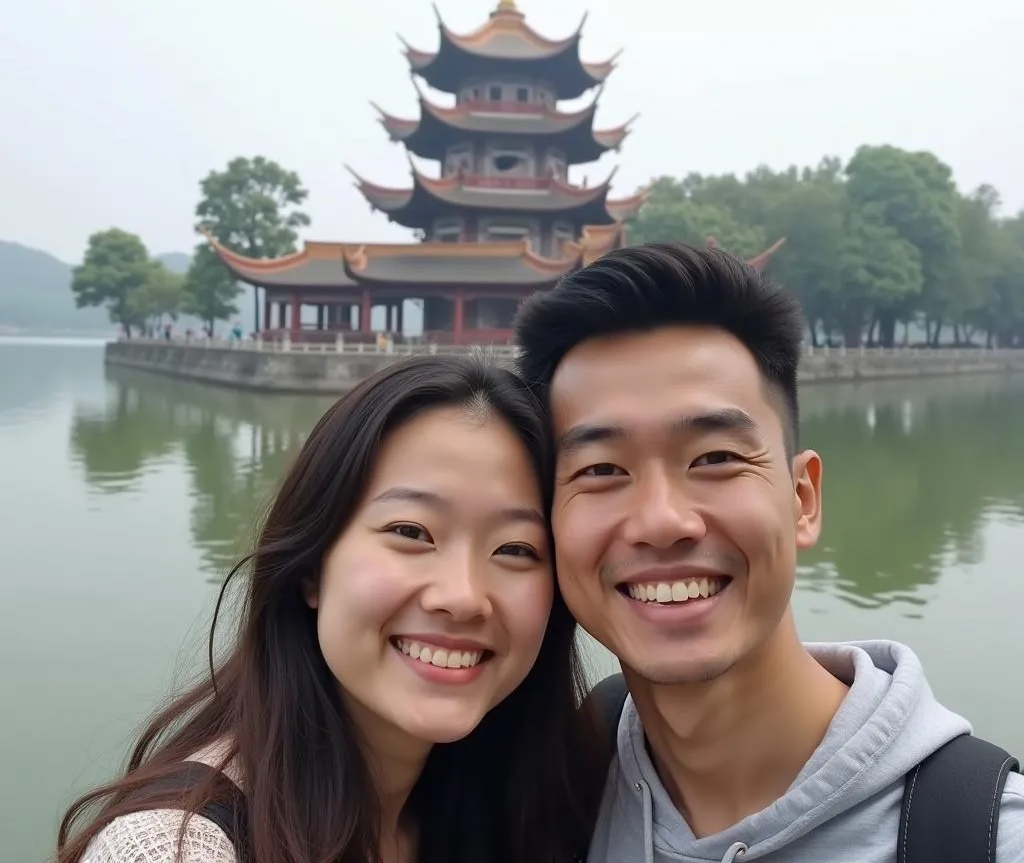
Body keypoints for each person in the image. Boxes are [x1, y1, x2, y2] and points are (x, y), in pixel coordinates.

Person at [513, 242, 1024, 862]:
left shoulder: (985, 839)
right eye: (600, 470)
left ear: (803, 498)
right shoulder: (548, 793)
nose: (662, 521)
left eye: (716, 459)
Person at [58, 355, 606, 863]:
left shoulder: (536, 806)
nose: (462, 596)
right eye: (410, 532)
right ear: (313, 567)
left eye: (515, 549)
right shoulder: (174, 847)